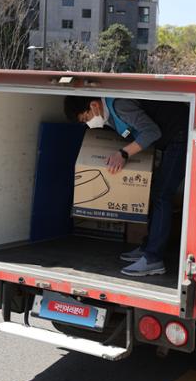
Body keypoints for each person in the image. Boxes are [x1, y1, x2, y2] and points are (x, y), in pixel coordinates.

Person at [64, 96, 189, 277]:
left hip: (180, 135)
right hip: (170, 139)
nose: (89, 123)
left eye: (86, 118)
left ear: (93, 105)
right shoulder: (110, 118)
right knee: (157, 193)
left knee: (162, 195)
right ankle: (148, 248)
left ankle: (153, 259)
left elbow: (152, 132)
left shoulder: (119, 106)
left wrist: (123, 153)